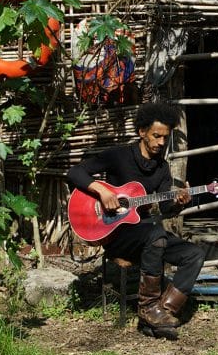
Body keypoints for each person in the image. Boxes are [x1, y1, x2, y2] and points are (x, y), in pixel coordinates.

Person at [67, 102, 205, 340]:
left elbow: (165, 208)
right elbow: (75, 173)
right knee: (156, 235)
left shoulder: (162, 169)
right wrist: (102, 191)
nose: (161, 142)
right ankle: (149, 309)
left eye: (165, 138)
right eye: (156, 136)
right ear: (142, 132)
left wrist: (181, 202)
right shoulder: (118, 156)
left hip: (147, 236)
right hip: (118, 235)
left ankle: (162, 311)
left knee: (194, 254)